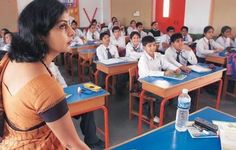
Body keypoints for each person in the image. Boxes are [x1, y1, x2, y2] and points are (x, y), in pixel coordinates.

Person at [0, 0, 89, 149]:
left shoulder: (11, 59)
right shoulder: (44, 86)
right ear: (40, 34)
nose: (72, 32)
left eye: (69, 24)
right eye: (62, 26)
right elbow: (72, 144)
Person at [49, 62, 105, 149]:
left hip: (64, 97)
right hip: (52, 104)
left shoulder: (53, 65)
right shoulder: (38, 70)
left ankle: (92, 140)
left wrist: (64, 92)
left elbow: (64, 85)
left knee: (87, 107)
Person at [138, 36, 180, 122]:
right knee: (161, 96)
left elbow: (166, 64)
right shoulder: (143, 59)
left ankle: (161, 111)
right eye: (149, 46)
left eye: (154, 45)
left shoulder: (158, 55)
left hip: (157, 81)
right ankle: (157, 116)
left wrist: (175, 68)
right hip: (145, 84)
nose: (152, 47)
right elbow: (146, 73)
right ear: (144, 47)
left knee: (172, 92)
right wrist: (163, 73)